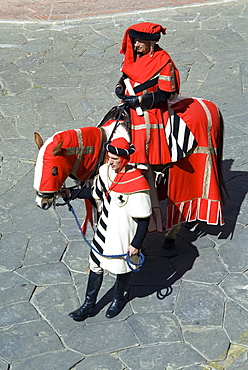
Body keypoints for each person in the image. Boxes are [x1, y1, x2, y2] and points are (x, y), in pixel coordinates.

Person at [67, 138, 152, 320]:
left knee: (122, 268)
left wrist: (136, 244)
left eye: (115, 159)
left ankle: (118, 299)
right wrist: (71, 194)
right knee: (95, 265)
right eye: (109, 157)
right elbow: (94, 192)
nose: (111, 162)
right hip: (103, 232)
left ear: (124, 159)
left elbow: (144, 218)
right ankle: (88, 305)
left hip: (122, 235)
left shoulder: (137, 183)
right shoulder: (105, 171)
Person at [115, 22, 180, 165]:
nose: (136, 45)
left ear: (150, 42)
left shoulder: (163, 61)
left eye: (139, 41)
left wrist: (140, 100)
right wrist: (119, 86)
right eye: (135, 41)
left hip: (150, 110)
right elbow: (126, 75)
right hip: (127, 105)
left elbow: (165, 93)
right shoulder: (135, 56)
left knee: (143, 142)